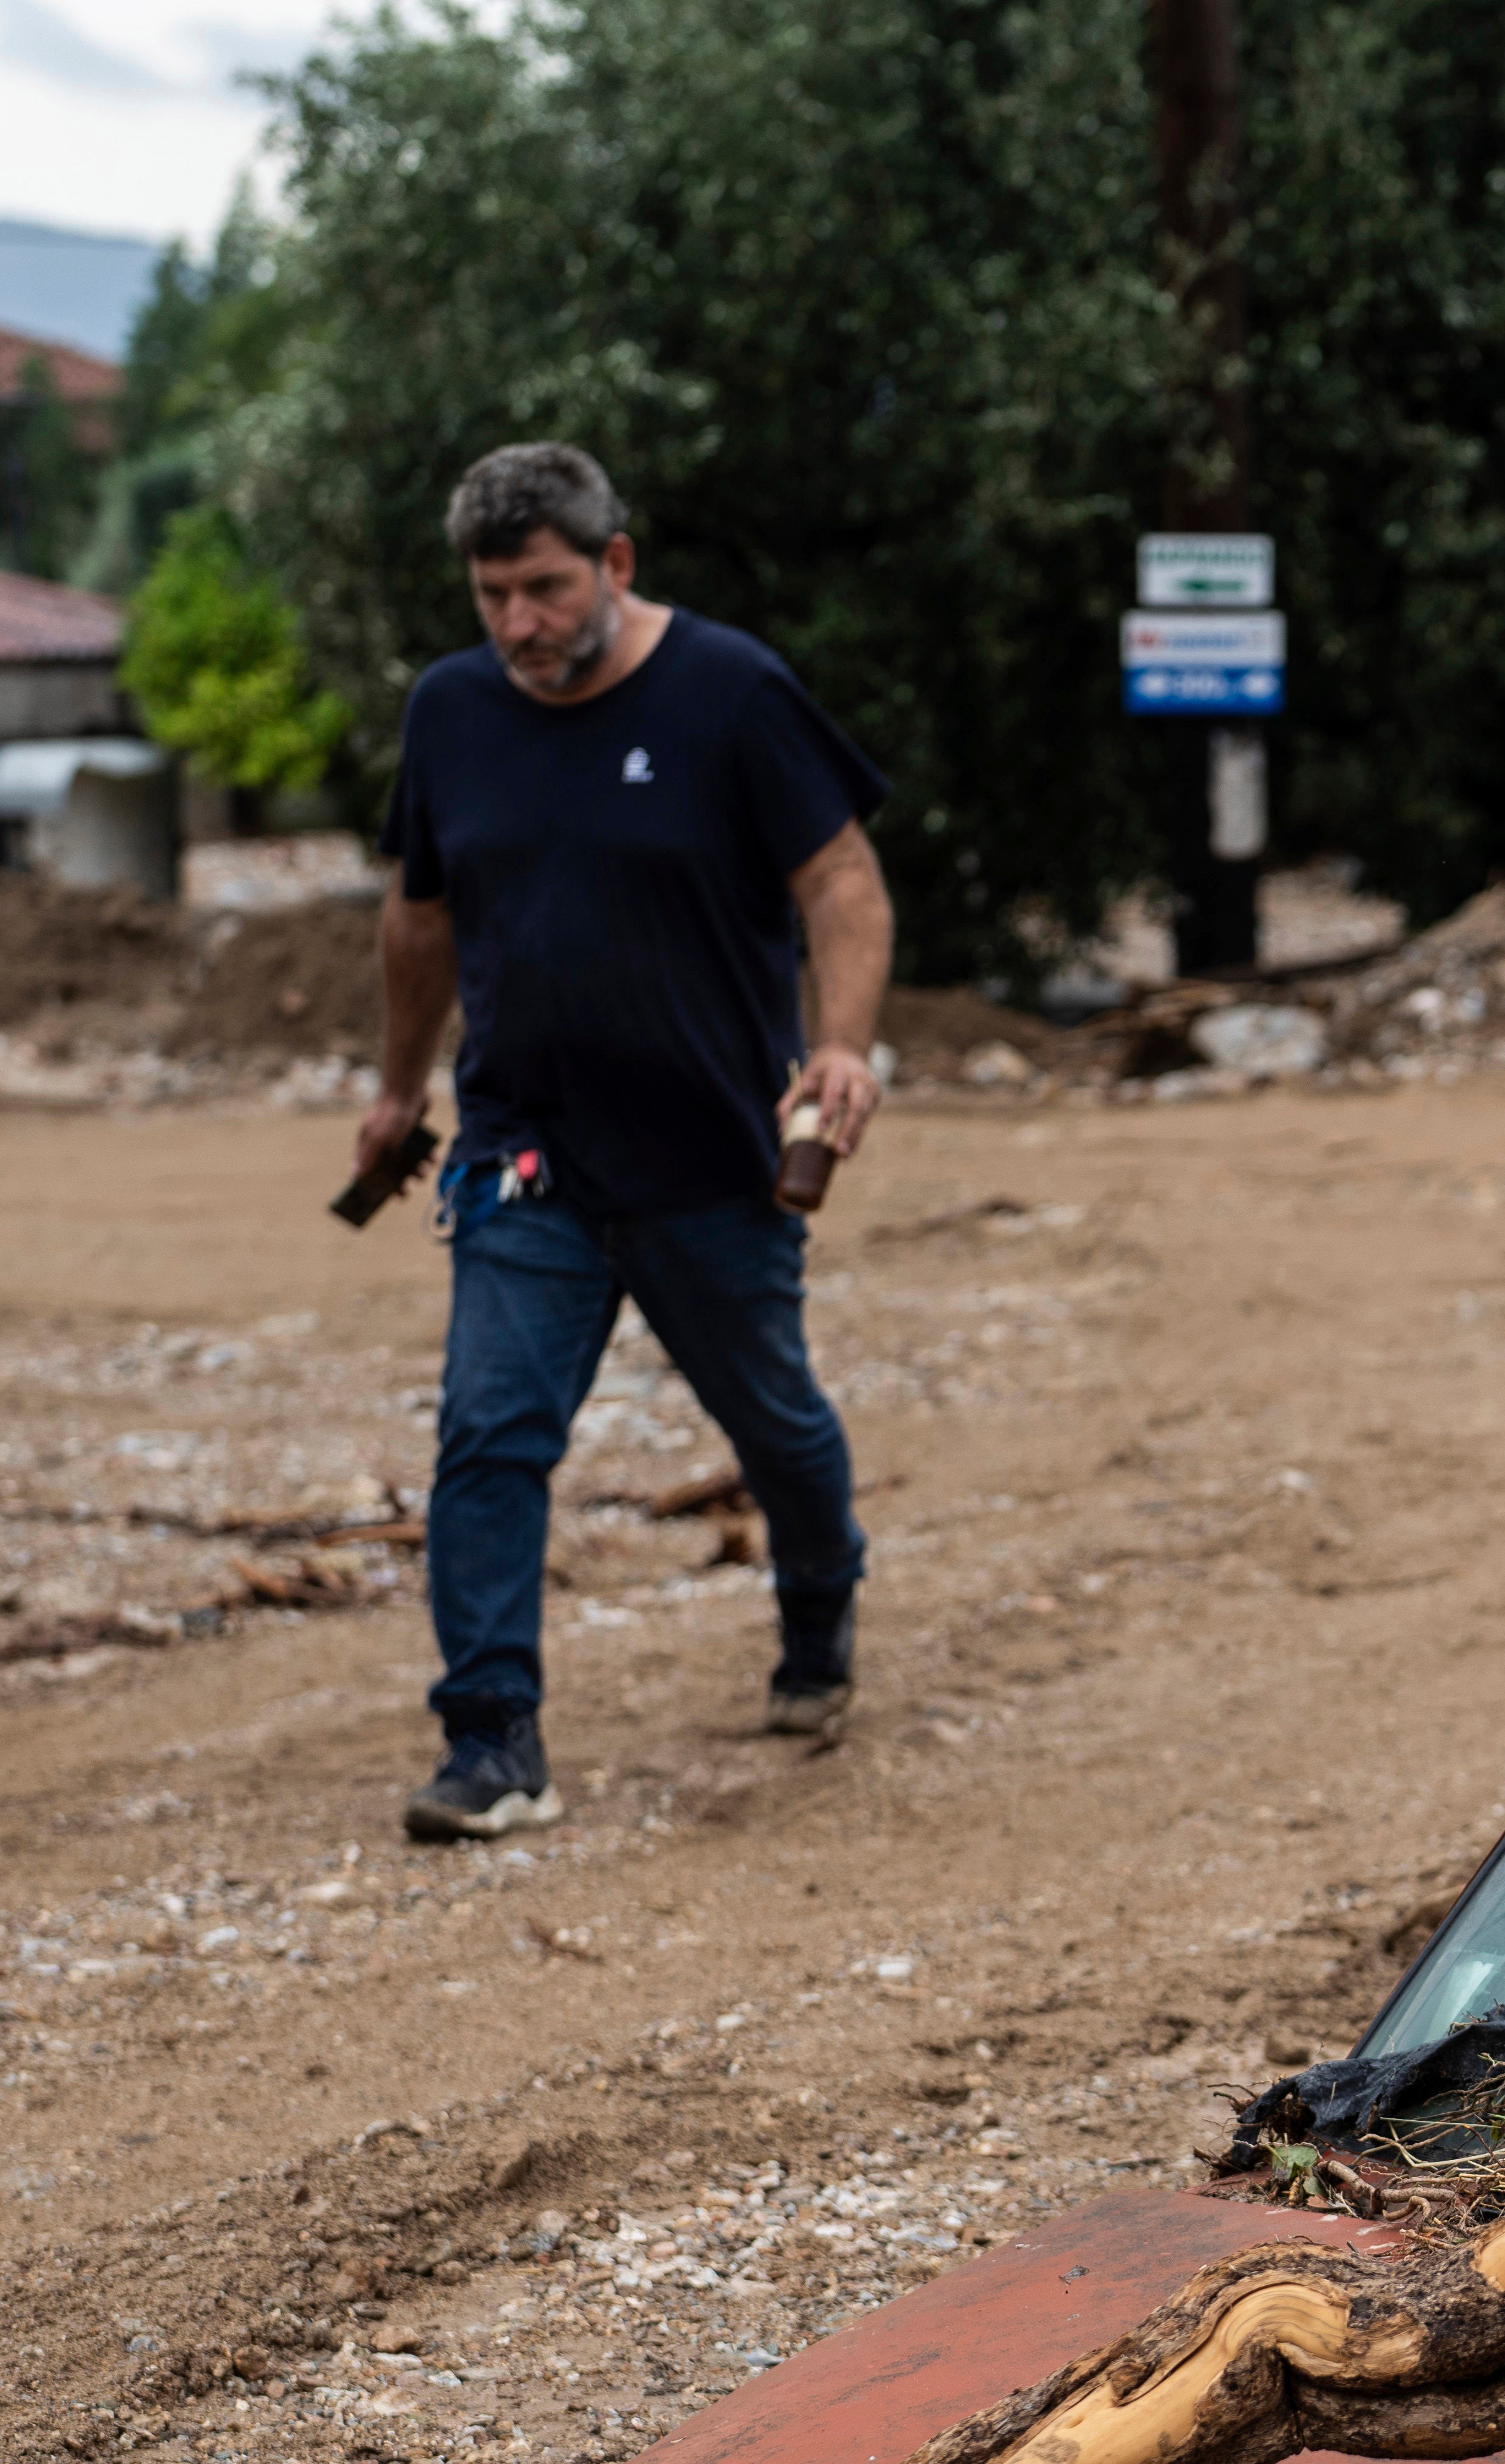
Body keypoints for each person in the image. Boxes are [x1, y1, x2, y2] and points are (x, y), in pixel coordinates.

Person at [355, 441, 895, 1842]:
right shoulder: (452, 710)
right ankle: (491, 1744)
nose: (518, 625)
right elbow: (419, 917)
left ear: (616, 562)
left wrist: (840, 1044)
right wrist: (397, 1087)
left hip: (714, 1157)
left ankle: (820, 1610)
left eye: (543, 588)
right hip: (525, 1151)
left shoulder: (731, 693)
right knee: (487, 1435)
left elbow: (840, 876)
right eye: (492, 596)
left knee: (774, 1427)